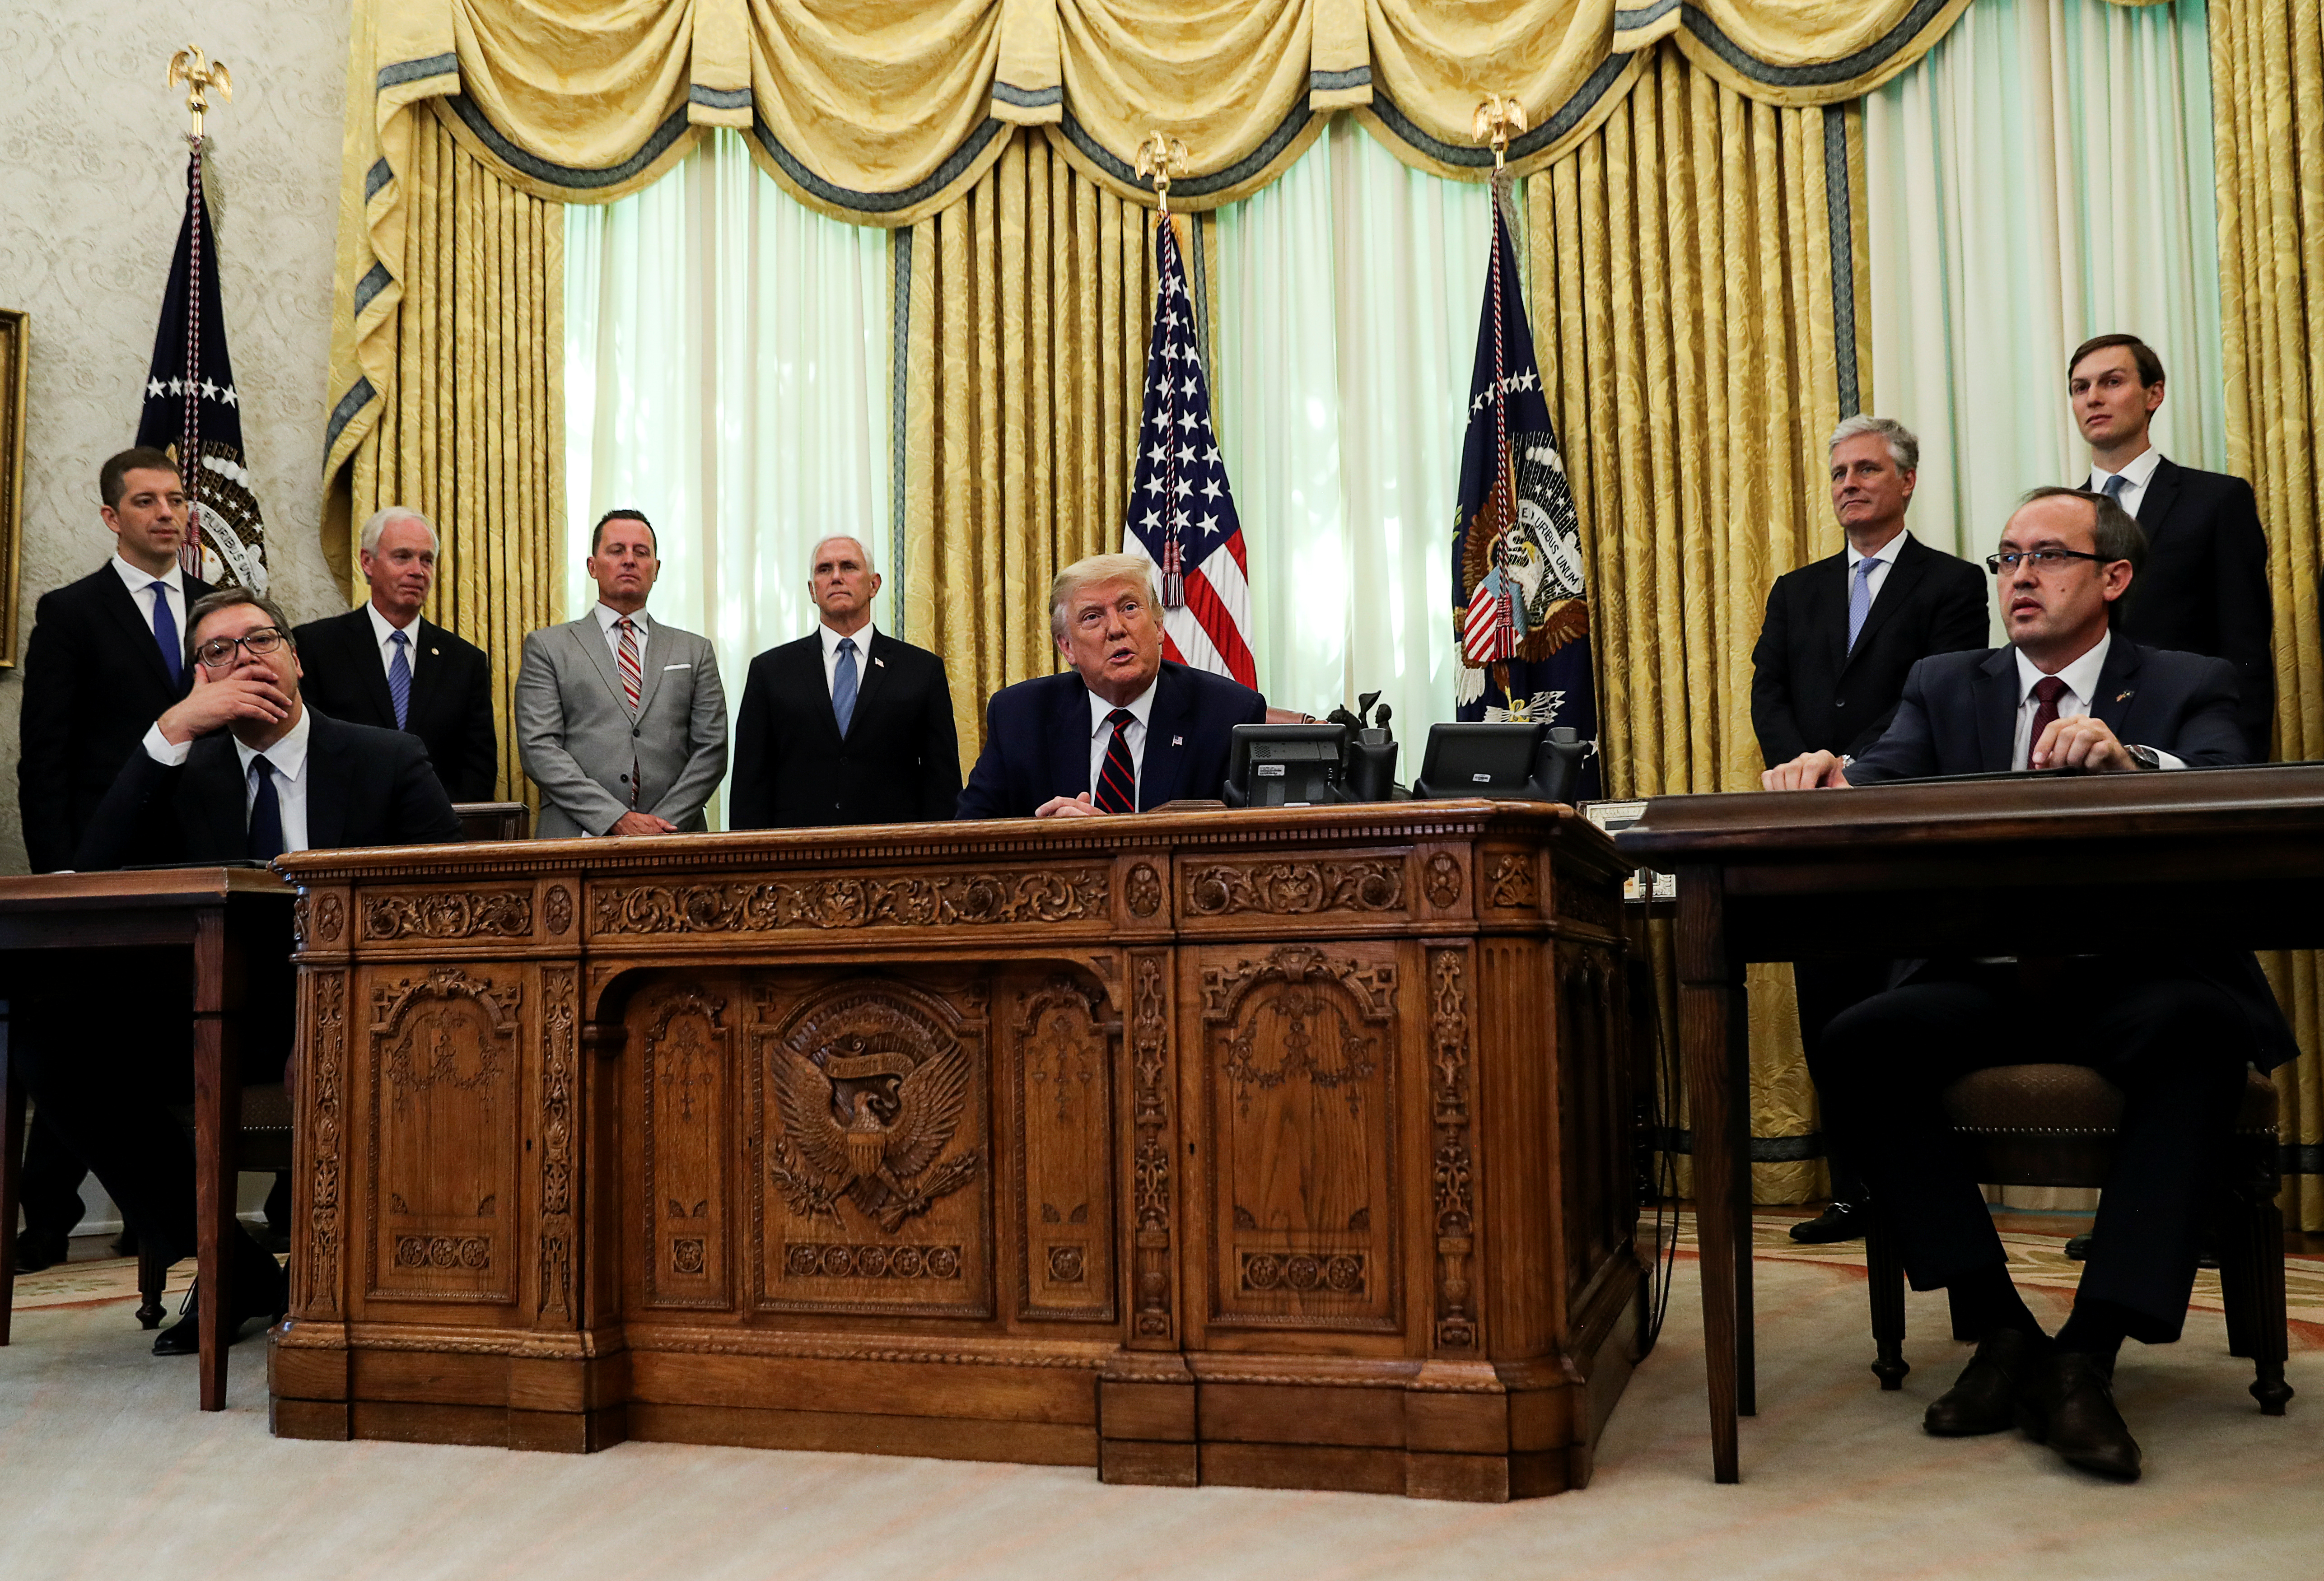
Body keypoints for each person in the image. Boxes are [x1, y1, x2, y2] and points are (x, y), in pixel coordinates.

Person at [1764, 488, 2288, 1483]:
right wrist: (1832, 773)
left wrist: (2131, 760)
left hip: (2135, 978)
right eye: (2005, 557)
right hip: (1985, 980)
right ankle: (2001, 1327)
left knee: (2198, 1031)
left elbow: (2232, 789)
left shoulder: (2185, 680)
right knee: (1859, 1039)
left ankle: (2087, 1351)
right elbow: (1879, 783)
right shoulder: (1943, 681)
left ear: (2112, 578)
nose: (2017, 575)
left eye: (2046, 556)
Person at [37, 588, 462, 1356]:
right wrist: (169, 732)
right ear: (198, 678)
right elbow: (93, 874)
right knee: (47, 1036)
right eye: (217, 651)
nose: (242, 660)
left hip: (366, 1011)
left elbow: (450, 911)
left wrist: (332, 1016)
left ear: (295, 659)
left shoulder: (387, 759)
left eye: (259, 641)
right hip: (216, 1014)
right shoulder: (183, 770)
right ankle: (233, 1264)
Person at [1751, 416, 1991, 1245]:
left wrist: (1854, 765)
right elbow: (1770, 694)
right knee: (1825, 1006)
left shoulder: (1954, 585)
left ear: (1906, 482)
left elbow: (1942, 694)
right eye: (1838, 473)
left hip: (1901, 823)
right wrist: (1806, 768)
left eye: (1865, 470)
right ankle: (1855, 1188)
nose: (1848, 483)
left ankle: (1921, 1188)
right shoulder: (1796, 590)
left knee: (1898, 1007)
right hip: (1813, 831)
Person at [11, 447, 215, 1270]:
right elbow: (44, 758)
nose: (166, 514)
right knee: (78, 1033)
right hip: (103, 858)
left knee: (160, 1036)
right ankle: (48, 1220)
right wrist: (61, 873)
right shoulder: (72, 613)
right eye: (146, 502)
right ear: (112, 517)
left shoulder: (217, 607)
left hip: (199, 858)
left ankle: (157, 1215)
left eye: (175, 500)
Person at [2068, 332, 2273, 760]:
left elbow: (2245, 641)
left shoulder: (2216, 499)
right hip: (2077, 735)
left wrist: (2245, 757)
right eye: (2080, 387)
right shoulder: (2064, 518)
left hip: (2185, 731)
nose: (2093, 398)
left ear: (2154, 394)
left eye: (2112, 382)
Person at [957, 553, 1265, 819]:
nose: (1117, 629)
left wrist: (1108, 838)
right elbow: (966, 838)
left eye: (1130, 607)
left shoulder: (1228, 714)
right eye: (1092, 617)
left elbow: (1244, 846)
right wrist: (1045, 841)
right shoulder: (1019, 717)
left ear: (1159, 627)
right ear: (1067, 647)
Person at [515, 509, 728, 837]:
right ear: (592, 566)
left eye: (641, 553)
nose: (629, 560)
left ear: (656, 569)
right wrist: (614, 818)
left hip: (676, 839)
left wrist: (660, 826)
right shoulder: (548, 647)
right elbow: (540, 748)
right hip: (577, 837)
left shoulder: (694, 651)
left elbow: (711, 751)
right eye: (617, 551)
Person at [729, 535, 960, 828]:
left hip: (896, 856)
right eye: (825, 570)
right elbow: (750, 787)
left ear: (874, 585)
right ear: (812, 591)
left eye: (849, 567)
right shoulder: (770, 672)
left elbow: (942, 784)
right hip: (796, 856)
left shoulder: (921, 670)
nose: (836, 576)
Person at [291, 505, 499, 802]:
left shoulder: (465, 662)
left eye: (427, 560)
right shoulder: (316, 646)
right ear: (368, 562)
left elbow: (477, 769)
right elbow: (305, 748)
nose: (417, 570)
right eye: (403, 557)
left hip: (435, 832)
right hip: (345, 832)